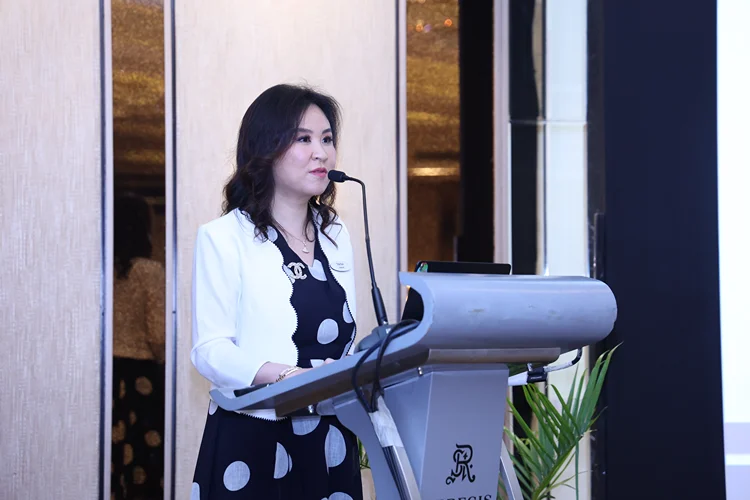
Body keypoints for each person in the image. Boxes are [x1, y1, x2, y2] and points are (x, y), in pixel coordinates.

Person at [190, 84, 363, 500]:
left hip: (330, 436)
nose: (321, 153)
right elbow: (210, 350)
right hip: (255, 437)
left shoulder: (336, 235)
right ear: (265, 149)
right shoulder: (224, 237)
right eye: (303, 139)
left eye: (327, 139)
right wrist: (287, 376)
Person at [112, 192, 166, 499]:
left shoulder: (100, 269)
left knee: (110, 454)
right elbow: (158, 334)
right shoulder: (149, 271)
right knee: (144, 459)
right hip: (140, 375)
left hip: (106, 374)